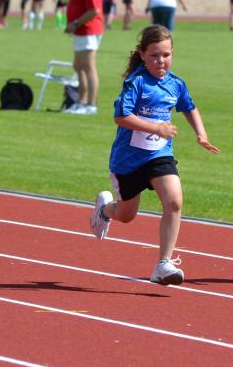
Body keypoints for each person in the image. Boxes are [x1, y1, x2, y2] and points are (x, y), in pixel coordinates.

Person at [89, 25, 220, 285]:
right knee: (127, 215)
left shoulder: (175, 84)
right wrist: (157, 128)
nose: (161, 61)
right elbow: (121, 117)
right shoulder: (136, 82)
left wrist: (201, 134)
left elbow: (189, 108)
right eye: (155, 56)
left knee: (174, 201)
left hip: (159, 155)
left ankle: (163, 264)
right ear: (142, 55)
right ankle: (104, 210)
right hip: (128, 161)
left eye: (166, 55)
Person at [65, 0, 104, 115]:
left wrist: (75, 23)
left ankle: (90, 105)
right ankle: (81, 102)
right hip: (82, 29)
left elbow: (94, 10)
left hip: (88, 29)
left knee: (88, 67)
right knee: (78, 66)